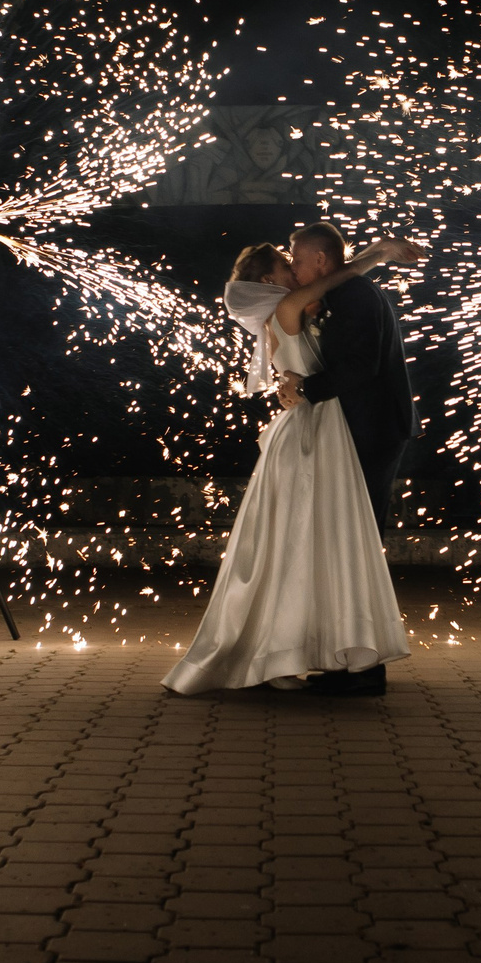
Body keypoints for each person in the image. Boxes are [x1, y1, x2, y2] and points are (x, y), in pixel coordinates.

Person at [162, 231, 424, 696]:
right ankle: (329, 655)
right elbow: (339, 290)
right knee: (326, 543)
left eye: (297, 262)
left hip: (339, 430)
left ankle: (334, 655)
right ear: (270, 281)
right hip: (316, 433)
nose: (295, 270)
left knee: (328, 542)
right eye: (287, 266)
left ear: (318, 260)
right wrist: (378, 253)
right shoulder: (292, 306)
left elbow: (354, 360)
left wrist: (301, 386)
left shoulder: (320, 302)